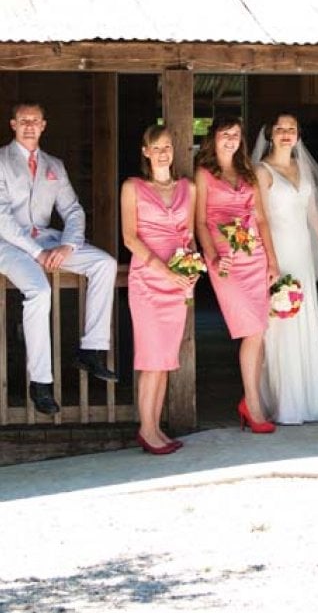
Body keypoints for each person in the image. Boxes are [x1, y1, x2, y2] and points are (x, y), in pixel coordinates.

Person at [0, 102, 117, 415]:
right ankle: (40, 383)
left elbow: (73, 211)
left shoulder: (55, 165)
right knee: (40, 291)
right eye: (23, 120)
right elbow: (1, 215)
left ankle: (92, 349)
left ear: (43, 125)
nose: (29, 125)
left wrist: (68, 246)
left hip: (46, 239)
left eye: (34, 121)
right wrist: (38, 252)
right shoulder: (0, 160)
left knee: (104, 264)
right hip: (7, 244)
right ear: (13, 124)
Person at [195, 116, 279, 434]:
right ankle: (253, 405)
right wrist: (213, 257)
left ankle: (251, 401)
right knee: (251, 329)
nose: (231, 139)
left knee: (257, 331)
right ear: (213, 138)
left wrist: (271, 260)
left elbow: (261, 219)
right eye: (225, 134)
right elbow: (201, 221)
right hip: (225, 260)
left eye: (236, 135)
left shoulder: (247, 173)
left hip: (253, 255)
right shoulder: (204, 174)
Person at [253, 112, 318, 424]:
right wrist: (271, 261)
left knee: (305, 322)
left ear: (298, 135)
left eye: (291, 129)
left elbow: (314, 213)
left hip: (302, 256)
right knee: (280, 326)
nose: (286, 133)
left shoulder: (302, 168)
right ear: (270, 134)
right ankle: (284, 403)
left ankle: (311, 401)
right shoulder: (262, 171)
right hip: (277, 254)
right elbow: (259, 216)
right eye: (280, 128)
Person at [121, 124, 198, 455]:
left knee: (166, 359)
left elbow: (190, 236)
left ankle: (156, 426)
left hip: (177, 281)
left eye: (168, 146)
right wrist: (163, 270)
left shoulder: (188, 188)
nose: (163, 152)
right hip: (148, 280)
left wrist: (191, 270)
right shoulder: (133, 187)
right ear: (145, 152)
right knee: (151, 358)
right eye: (156, 147)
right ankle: (147, 429)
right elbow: (129, 238)